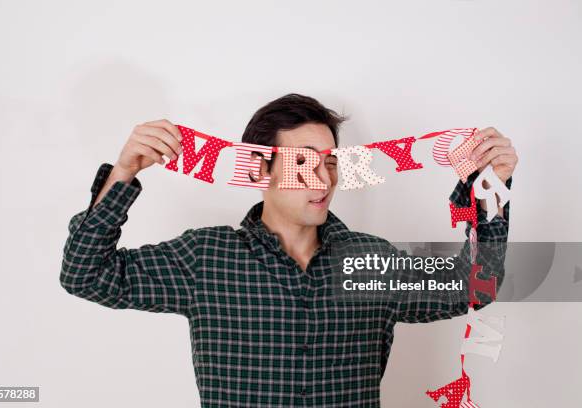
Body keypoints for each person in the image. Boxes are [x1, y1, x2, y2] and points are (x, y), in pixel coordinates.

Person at [60, 93, 517, 407]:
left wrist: (488, 187)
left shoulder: (370, 262)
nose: (323, 181)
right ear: (261, 168)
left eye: (331, 164)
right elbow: (85, 274)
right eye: (302, 164)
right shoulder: (205, 258)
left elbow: (477, 284)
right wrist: (123, 172)